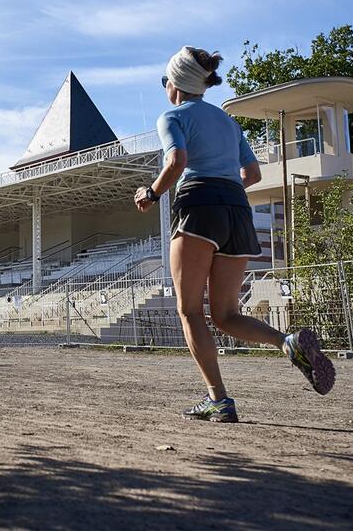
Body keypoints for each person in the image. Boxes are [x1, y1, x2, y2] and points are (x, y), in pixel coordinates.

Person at [134, 45, 335, 422]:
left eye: (165, 81)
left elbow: (177, 161)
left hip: (199, 206)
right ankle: (287, 342)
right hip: (238, 210)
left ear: (175, 83)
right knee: (226, 314)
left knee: (189, 310)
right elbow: (253, 174)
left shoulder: (172, 116)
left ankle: (219, 399)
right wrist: (224, 190)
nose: (165, 88)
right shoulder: (228, 122)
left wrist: (152, 192)